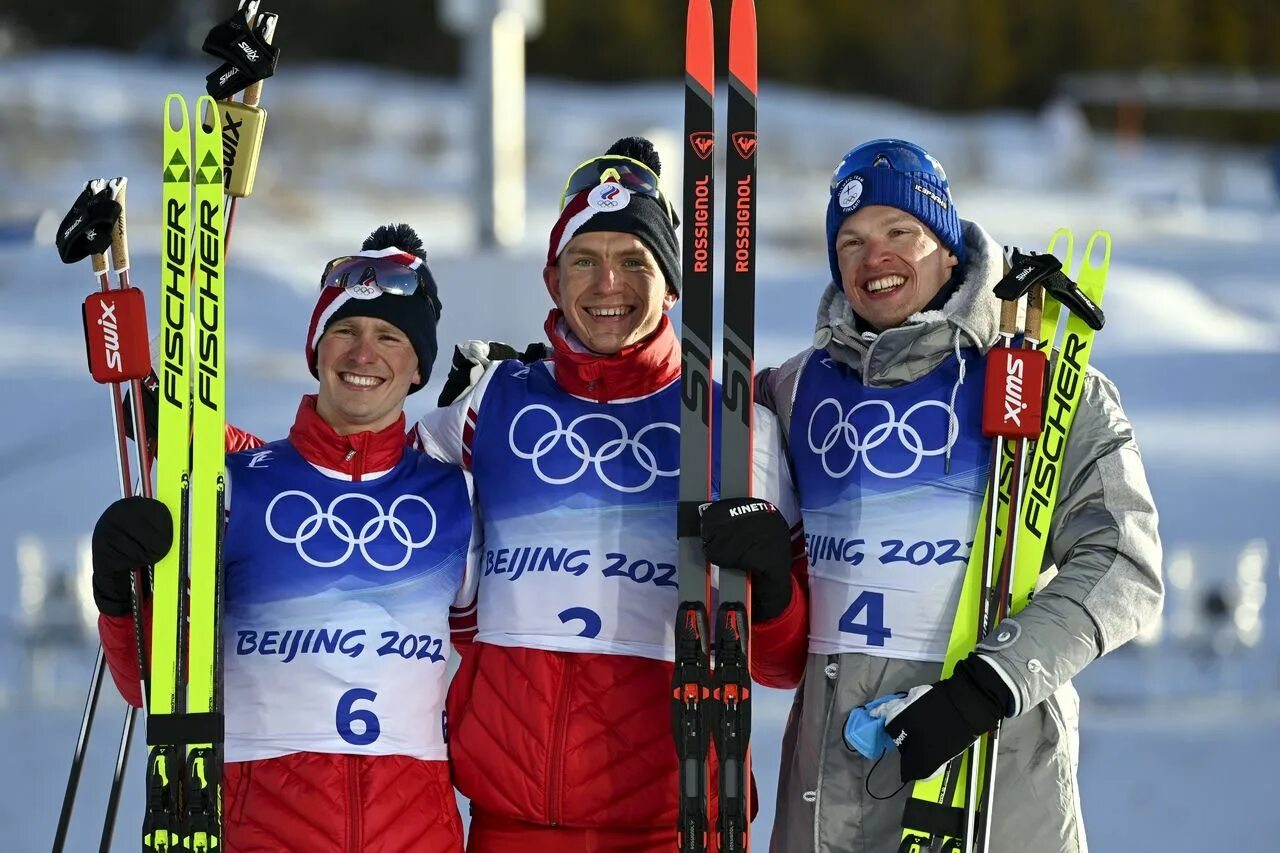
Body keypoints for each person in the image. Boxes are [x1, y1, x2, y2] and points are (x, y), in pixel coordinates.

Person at [700, 139, 1163, 853]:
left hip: (993, 783)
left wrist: (989, 684)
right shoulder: (790, 395)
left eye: (899, 233)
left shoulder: (1042, 383)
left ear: (947, 247)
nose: (872, 257)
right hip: (829, 793)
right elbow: (688, 429)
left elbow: (1124, 562)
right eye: (849, 241)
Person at [415, 137, 807, 852]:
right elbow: (354, 487)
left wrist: (773, 584)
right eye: (584, 260)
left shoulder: (734, 424)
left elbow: (782, 663)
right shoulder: (490, 404)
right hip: (511, 823)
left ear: (672, 281)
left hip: (678, 820)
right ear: (551, 275)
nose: (607, 285)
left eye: (634, 261)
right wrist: (200, 438)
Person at [91, 224, 477, 851]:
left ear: (416, 368)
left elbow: (496, 670)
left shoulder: (456, 496)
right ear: (317, 349)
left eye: (389, 336)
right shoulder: (234, 491)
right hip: (264, 825)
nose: (362, 353)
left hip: (416, 829)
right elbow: (152, 684)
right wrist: (117, 588)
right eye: (345, 331)